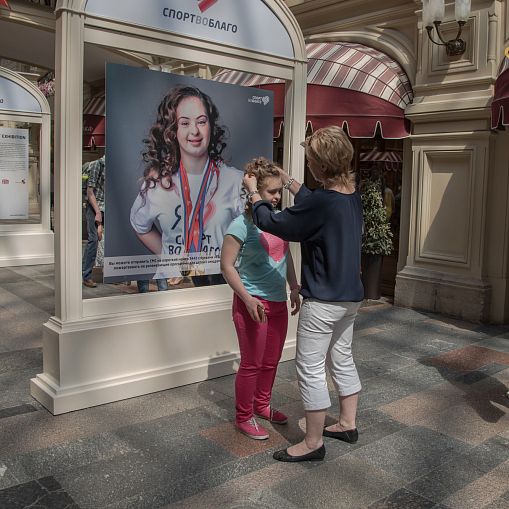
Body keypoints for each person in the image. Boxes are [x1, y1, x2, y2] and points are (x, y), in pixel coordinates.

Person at [244, 126, 364, 462]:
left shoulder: (325, 202)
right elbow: (316, 202)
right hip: (350, 298)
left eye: (310, 161)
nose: (309, 166)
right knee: (341, 358)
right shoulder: (350, 193)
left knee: (310, 367)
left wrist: (255, 194)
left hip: (324, 300)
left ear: (322, 167)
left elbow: (275, 223)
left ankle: (312, 444)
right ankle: (347, 423)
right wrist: (290, 179)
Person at [130, 83, 244, 285]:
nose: (195, 131)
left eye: (201, 121)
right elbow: (140, 226)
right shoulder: (157, 183)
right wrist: (169, 259)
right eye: (184, 123)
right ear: (172, 131)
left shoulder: (235, 181)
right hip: (174, 289)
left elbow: (250, 234)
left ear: (210, 125)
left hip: (220, 286)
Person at [221, 157, 301, 440]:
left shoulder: (276, 220)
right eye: (272, 192)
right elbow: (227, 266)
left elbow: (286, 253)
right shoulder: (241, 225)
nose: (278, 197)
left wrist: (294, 286)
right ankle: (243, 417)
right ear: (256, 191)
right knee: (252, 363)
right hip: (252, 304)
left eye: (279, 191)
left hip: (279, 302)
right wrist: (247, 298)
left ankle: (262, 405)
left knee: (271, 361)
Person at [82, 155, 105, 288]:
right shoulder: (98, 164)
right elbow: (90, 192)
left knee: (106, 240)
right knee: (93, 240)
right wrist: (97, 213)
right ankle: (87, 275)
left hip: (107, 207)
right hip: (94, 207)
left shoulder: (114, 166)